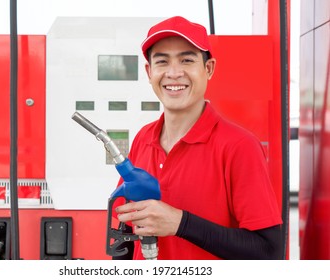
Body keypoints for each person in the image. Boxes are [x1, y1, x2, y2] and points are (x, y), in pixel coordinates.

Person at [114, 16, 283, 260]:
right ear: (149, 72)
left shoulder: (239, 146)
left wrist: (181, 223)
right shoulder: (143, 138)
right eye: (162, 61)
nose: (174, 73)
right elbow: (126, 231)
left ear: (208, 69)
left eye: (187, 60)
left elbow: (268, 251)